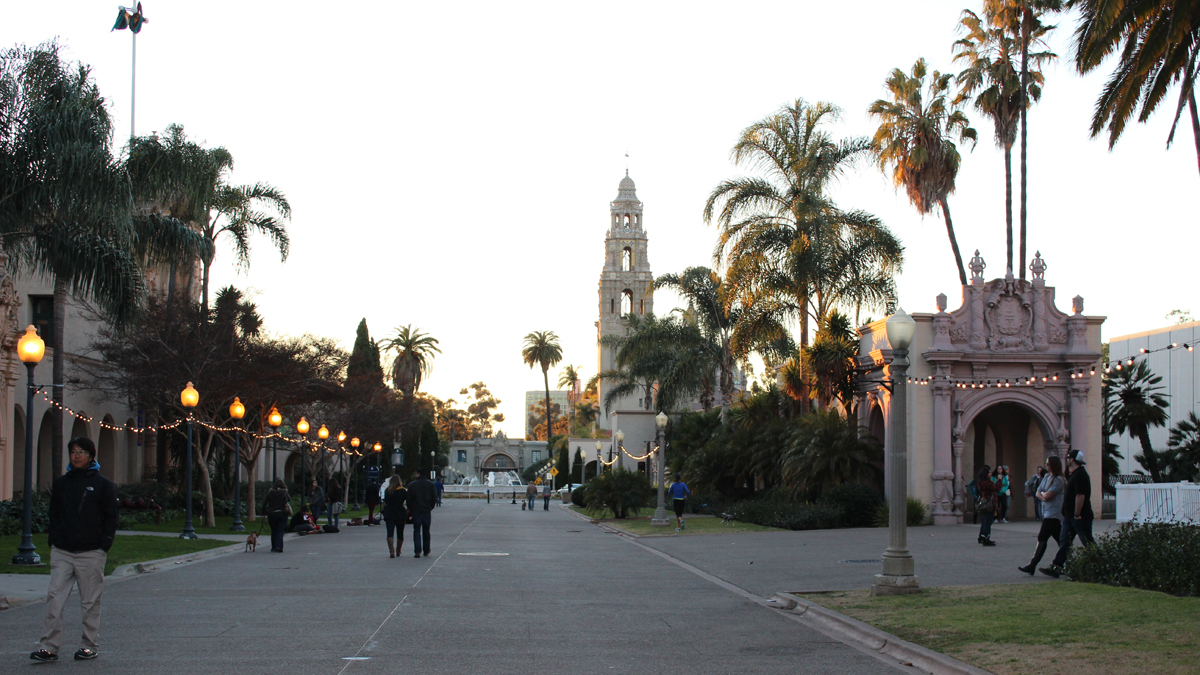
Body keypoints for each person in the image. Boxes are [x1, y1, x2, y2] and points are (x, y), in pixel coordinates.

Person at [31, 438, 119, 663]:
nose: (77, 456)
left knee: (90, 602)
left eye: (82, 452)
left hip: (91, 552)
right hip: (63, 551)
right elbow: (54, 514)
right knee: (54, 599)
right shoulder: (62, 484)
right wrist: (54, 540)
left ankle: (88, 645)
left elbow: (111, 517)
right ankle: (48, 646)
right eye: (73, 452)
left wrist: (104, 544)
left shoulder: (103, 484)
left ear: (91, 456)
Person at [1041, 449, 1095, 578]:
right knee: (1064, 542)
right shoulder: (1074, 474)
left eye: (1068, 458)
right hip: (1068, 516)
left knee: (1087, 541)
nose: (1067, 460)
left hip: (1079, 517)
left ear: (1072, 460)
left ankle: (1100, 563)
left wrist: (1077, 513)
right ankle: (1056, 566)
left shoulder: (1081, 475)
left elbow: (1080, 496)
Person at [1019, 456, 1064, 575]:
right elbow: (1038, 492)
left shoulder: (1059, 479)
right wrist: (1043, 495)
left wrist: (1043, 495)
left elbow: (1049, 495)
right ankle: (1065, 563)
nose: (1046, 466)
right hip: (1046, 512)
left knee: (1042, 537)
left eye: (1048, 464)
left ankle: (1032, 564)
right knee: (1061, 539)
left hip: (1053, 514)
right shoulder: (1047, 477)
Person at [408, 471, 438, 558]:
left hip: (416, 511)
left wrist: (411, 509)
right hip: (426, 511)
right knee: (426, 531)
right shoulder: (431, 485)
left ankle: (417, 550)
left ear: (418, 474)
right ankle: (426, 550)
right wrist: (430, 507)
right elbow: (434, 498)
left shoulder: (412, 485)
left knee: (417, 531)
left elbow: (409, 499)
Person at [381, 475, 408, 558]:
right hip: (400, 513)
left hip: (389, 513)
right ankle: (398, 550)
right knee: (400, 533)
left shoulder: (387, 490)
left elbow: (386, 501)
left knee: (390, 533)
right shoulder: (403, 491)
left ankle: (391, 550)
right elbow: (406, 500)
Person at [262, 478, 291, 553]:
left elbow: (264, 503)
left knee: (273, 530)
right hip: (281, 513)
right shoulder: (284, 492)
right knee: (280, 531)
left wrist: (263, 513)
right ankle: (279, 546)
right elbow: (289, 499)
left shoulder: (270, 493)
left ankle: (273, 547)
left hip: (272, 513)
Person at [975, 465, 998, 546]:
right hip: (989, 503)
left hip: (984, 503)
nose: (991, 473)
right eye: (989, 472)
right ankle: (986, 538)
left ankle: (982, 537)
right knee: (988, 521)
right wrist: (999, 481)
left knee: (985, 521)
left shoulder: (981, 482)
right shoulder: (987, 483)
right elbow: (997, 489)